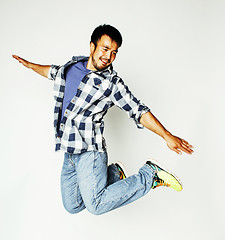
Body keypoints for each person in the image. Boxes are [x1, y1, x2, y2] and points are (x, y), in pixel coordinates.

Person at [12, 24, 194, 215]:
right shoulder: (73, 66)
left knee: (96, 205)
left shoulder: (111, 84)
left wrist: (167, 135)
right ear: (92, 46)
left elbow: (138, 110)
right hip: (70, 150)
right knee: (72, 205)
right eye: (105, 49)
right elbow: (53, 72)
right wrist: (31, 65)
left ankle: (150, 175)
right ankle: (114, 174)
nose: (108, 56)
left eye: (114, 52)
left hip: (91, 151)